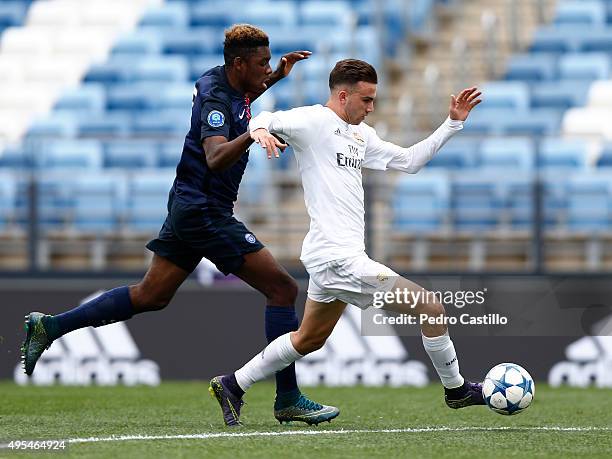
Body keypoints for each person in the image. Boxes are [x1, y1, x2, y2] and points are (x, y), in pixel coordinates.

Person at [21, 24, 338, 425]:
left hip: (189, 204)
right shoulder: (216, 97)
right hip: (205, 209)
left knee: (151, 295)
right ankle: (287, 397)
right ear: (239, 63)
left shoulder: (225, 82)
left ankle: (48, 327)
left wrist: (277, 78)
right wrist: (256, 133)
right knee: (282, 288)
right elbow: (216, 155)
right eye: (262, 64)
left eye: (269, 62)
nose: (267, 68)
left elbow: (241, 103)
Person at [209, 59, 485, 426]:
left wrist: (453, 123)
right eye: (367, 100)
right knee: (431, 308)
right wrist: (258, 130)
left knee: (308, 339)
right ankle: (457, 391)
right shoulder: (314, 121)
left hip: (337, 257)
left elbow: (410, 161)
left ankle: (233, 384)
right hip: (338, 259)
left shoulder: (361, 135)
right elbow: (265, 116)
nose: (371, 108)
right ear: (343, 95)